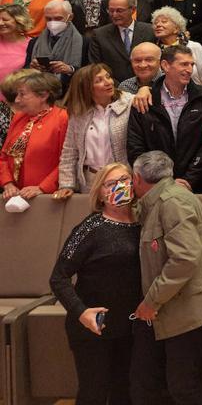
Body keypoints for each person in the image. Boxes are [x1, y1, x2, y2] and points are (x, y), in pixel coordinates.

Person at [129, 150, 202, 404]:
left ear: (137, 178)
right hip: (177, 306)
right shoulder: (162, 198)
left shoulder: (172, 202)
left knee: (182, 386)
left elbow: (185, 259)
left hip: (186, 310)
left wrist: (151, 301)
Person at [49, 162, 142, 405]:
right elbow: (58, 277)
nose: (120, 186)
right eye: (111, 184)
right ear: (100, 192)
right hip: (93, 327)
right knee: (94, 393)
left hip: (132, 326)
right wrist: (81, 312)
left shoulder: (145, 223)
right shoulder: (89, 228)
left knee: (126, 393)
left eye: (125, 179)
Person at [126, 45, 202, 190]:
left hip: (196, 184)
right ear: (165, 66)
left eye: (191, 64)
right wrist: (158, 180)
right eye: (183, 64)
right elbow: (135, 146)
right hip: (155, 186)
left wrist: (189, 180)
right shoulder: (145, 99)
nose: (189, 69)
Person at [53, 64, 132, 198]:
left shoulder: (129, 103)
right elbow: (69, 151)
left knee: (118, 215)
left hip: (121, 178)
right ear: (86, 88)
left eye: (108, 77)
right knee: (91, 216)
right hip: (90, 180)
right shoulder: (78, 114)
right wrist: (66, 184)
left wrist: (145, 89)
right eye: (99, 80)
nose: (108, 82)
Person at [0, 70, 67, 201]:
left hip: (47, 197)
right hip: (15, 196)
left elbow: (68, 161)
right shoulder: (19, 118)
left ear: (43, 96)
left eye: (22, 94)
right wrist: (8, 184)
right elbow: (3, 157)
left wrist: (42, 188)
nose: (17, 100)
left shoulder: (63, 118)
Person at [88, 0, 155, 82]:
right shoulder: (99, 35)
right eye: (111, 11)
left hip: (146, 87)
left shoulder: (150, 31)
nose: (114, 15)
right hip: (113, 88)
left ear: (133, 10)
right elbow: (95, 66)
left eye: (119, 10)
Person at [25, 0, 87, 91]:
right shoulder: (34, 42)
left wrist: (70, 69)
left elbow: (89, 72)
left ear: (70, 17)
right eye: (48, 19)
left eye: (58, 18)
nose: (52, 22)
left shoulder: (84, 42)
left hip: (70, 93)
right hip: (39, 91)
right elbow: (24, 71)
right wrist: (32, 67)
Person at [150, 7, 202, 84]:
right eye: (156, 22)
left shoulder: (194, 46)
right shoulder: (153, 50)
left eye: (164, 22)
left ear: (176, 29)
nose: (158, 25)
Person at [0, 4, 29, 83]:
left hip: (16, 92)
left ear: (19, 20)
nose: (0, 23)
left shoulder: (32, 44)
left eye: (5, 19)